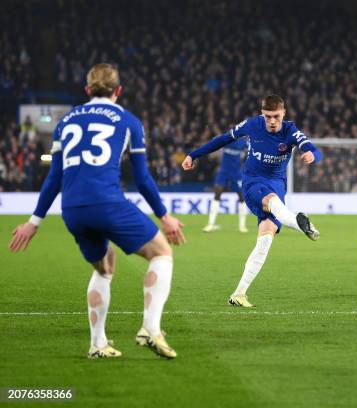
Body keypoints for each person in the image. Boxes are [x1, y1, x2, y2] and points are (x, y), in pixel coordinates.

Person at [9, 64, 186, 358]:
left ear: (87, 90)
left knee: (104, 267)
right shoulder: (129, 121)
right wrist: (164, 216)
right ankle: (150, 329)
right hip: (107, 202)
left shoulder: (65, 122)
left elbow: (54, 177)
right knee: (161, 252)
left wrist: (34, 222)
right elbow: (142, 178)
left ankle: (97, 344)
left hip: (73, 209)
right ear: (118, 91)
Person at [182, 94, 321, 307]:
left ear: (283, 113)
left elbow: (311, 147)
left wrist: (312, 154)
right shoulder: (251, 125)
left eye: (276, 116)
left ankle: (238, 294)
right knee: (273, 201)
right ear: (261, 114)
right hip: (252, 182)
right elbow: (222, 139)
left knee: (265, 240)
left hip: (277, 183)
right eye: (267, 116)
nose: (272, 121)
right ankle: (298, 222)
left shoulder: (290, 130)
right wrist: (194, 154)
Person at [203, 137, 249, 233]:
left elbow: (250, 151)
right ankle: (210, 224)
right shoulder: (225, 140)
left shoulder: (243, 143)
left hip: (236, 172)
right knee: (217, 194)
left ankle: (242, 226)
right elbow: (214, 148)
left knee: (241, 197)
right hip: (224, 171)